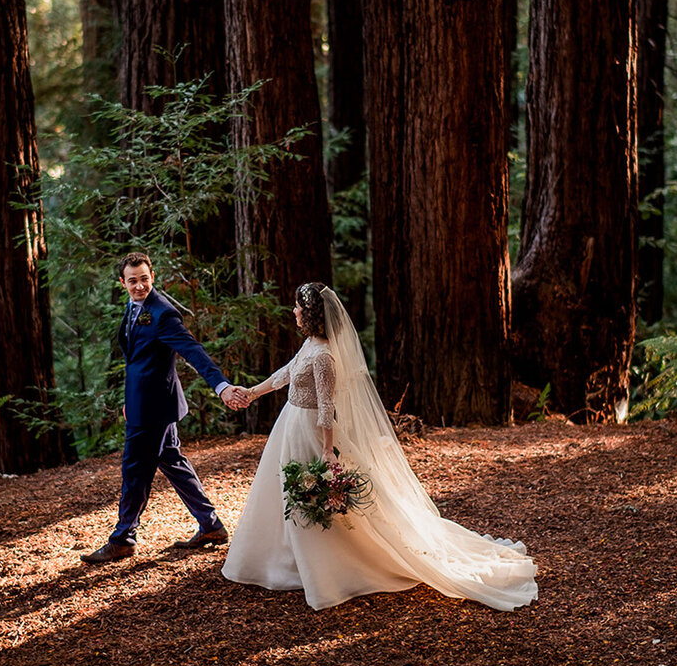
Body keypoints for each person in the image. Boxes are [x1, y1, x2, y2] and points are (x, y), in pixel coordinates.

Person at [221, 282, 538, 611]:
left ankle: (330, 566)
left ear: (312, 313)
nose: (294, 311)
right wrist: (253, 392)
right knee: (285, 494)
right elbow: (285, 374)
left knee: (314, 496)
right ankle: (287, 559)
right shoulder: (309, 345)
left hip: (312, 432)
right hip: (291, 426)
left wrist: (328, 451)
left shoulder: (324, 356)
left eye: (299, 307)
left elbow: (327, 408)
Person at [81, 252, 251, 564]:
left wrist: (221, 385)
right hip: (145, 403)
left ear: (152, 277)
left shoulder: (162, 314)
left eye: (144, 279)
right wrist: (129, 401)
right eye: (132, 281)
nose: (139, 286)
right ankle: (211, 525)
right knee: (172, 462)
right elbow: (137, 362)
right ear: (123, 283)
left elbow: (193, 351)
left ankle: (123, 538)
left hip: (155, 409)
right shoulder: (134, 308)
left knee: (134, 469)